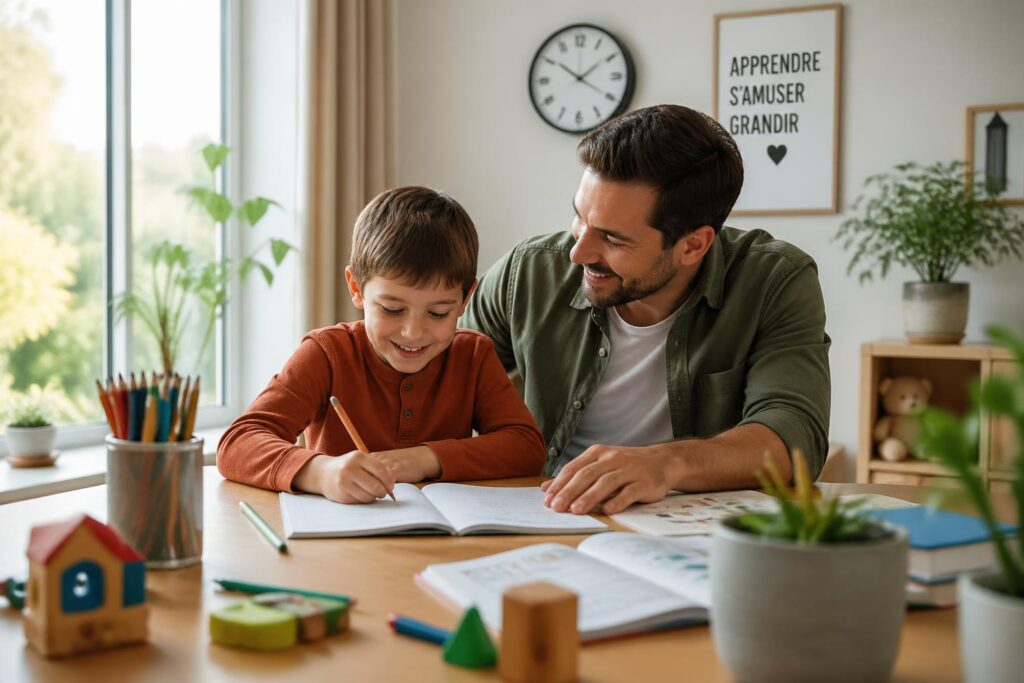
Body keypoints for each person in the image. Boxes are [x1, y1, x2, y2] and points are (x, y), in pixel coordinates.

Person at [462, 104, 830, 515]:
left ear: (693, 245)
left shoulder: (774, 282)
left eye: (613, 240)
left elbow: (795, 435)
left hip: (684, 527)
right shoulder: (527, 272)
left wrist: (665, 463)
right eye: (579, 218)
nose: (578, 252)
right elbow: (436, 378)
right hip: (544, 513)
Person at [218, 187, 546, 503]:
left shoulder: (473, 356)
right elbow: (237, 443)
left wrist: (424, 458)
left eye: (438, 313)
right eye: (392, 309)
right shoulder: (326, 354)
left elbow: (526, 447)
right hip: (339, 544)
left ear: (465, 300)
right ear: (356, 288)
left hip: (442, 544)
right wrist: (320, 472)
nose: (413, 332)